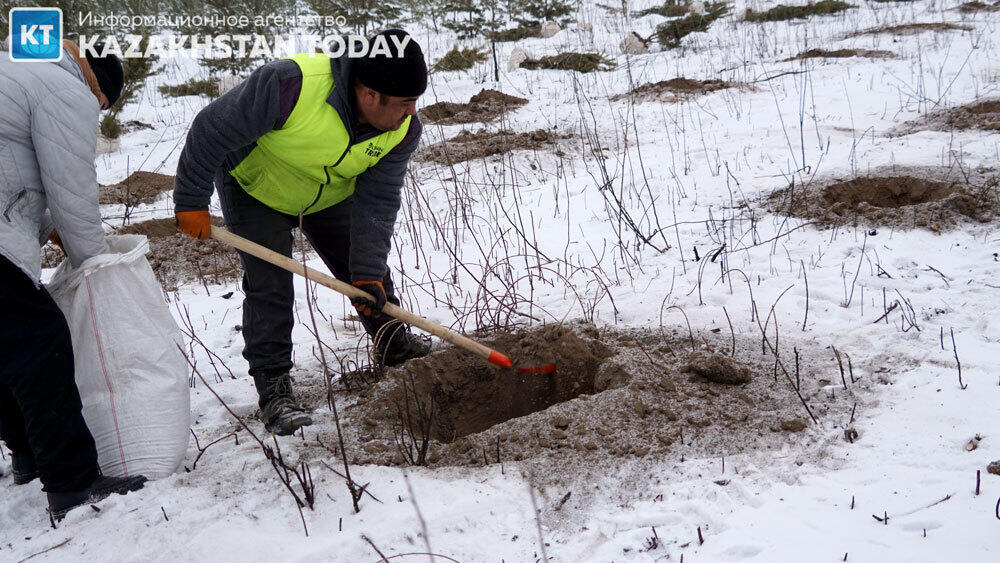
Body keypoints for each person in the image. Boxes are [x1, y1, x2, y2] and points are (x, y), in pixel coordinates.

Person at [173, 29, 432, 436]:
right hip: (256, 186)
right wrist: (190, 199)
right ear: (369, 95)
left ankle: (393, 341)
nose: (411, 113)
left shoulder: (402, 129)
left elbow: (378, 204)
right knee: (270, 286)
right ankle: (274, 388)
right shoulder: (289, 86)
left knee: (367, 272)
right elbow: (211, 128)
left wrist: (364, 271)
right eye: (403, 104)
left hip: (328, 192)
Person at [0, 40, 147, 519]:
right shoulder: (64, 88)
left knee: (9, 342)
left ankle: (26, 454)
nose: (97, 114)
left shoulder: (18, 70)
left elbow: (20, 169)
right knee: (40, 341)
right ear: (98, 88)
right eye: (103, 107)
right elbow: (73, 193)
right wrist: (95, 265)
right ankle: (73, 482)